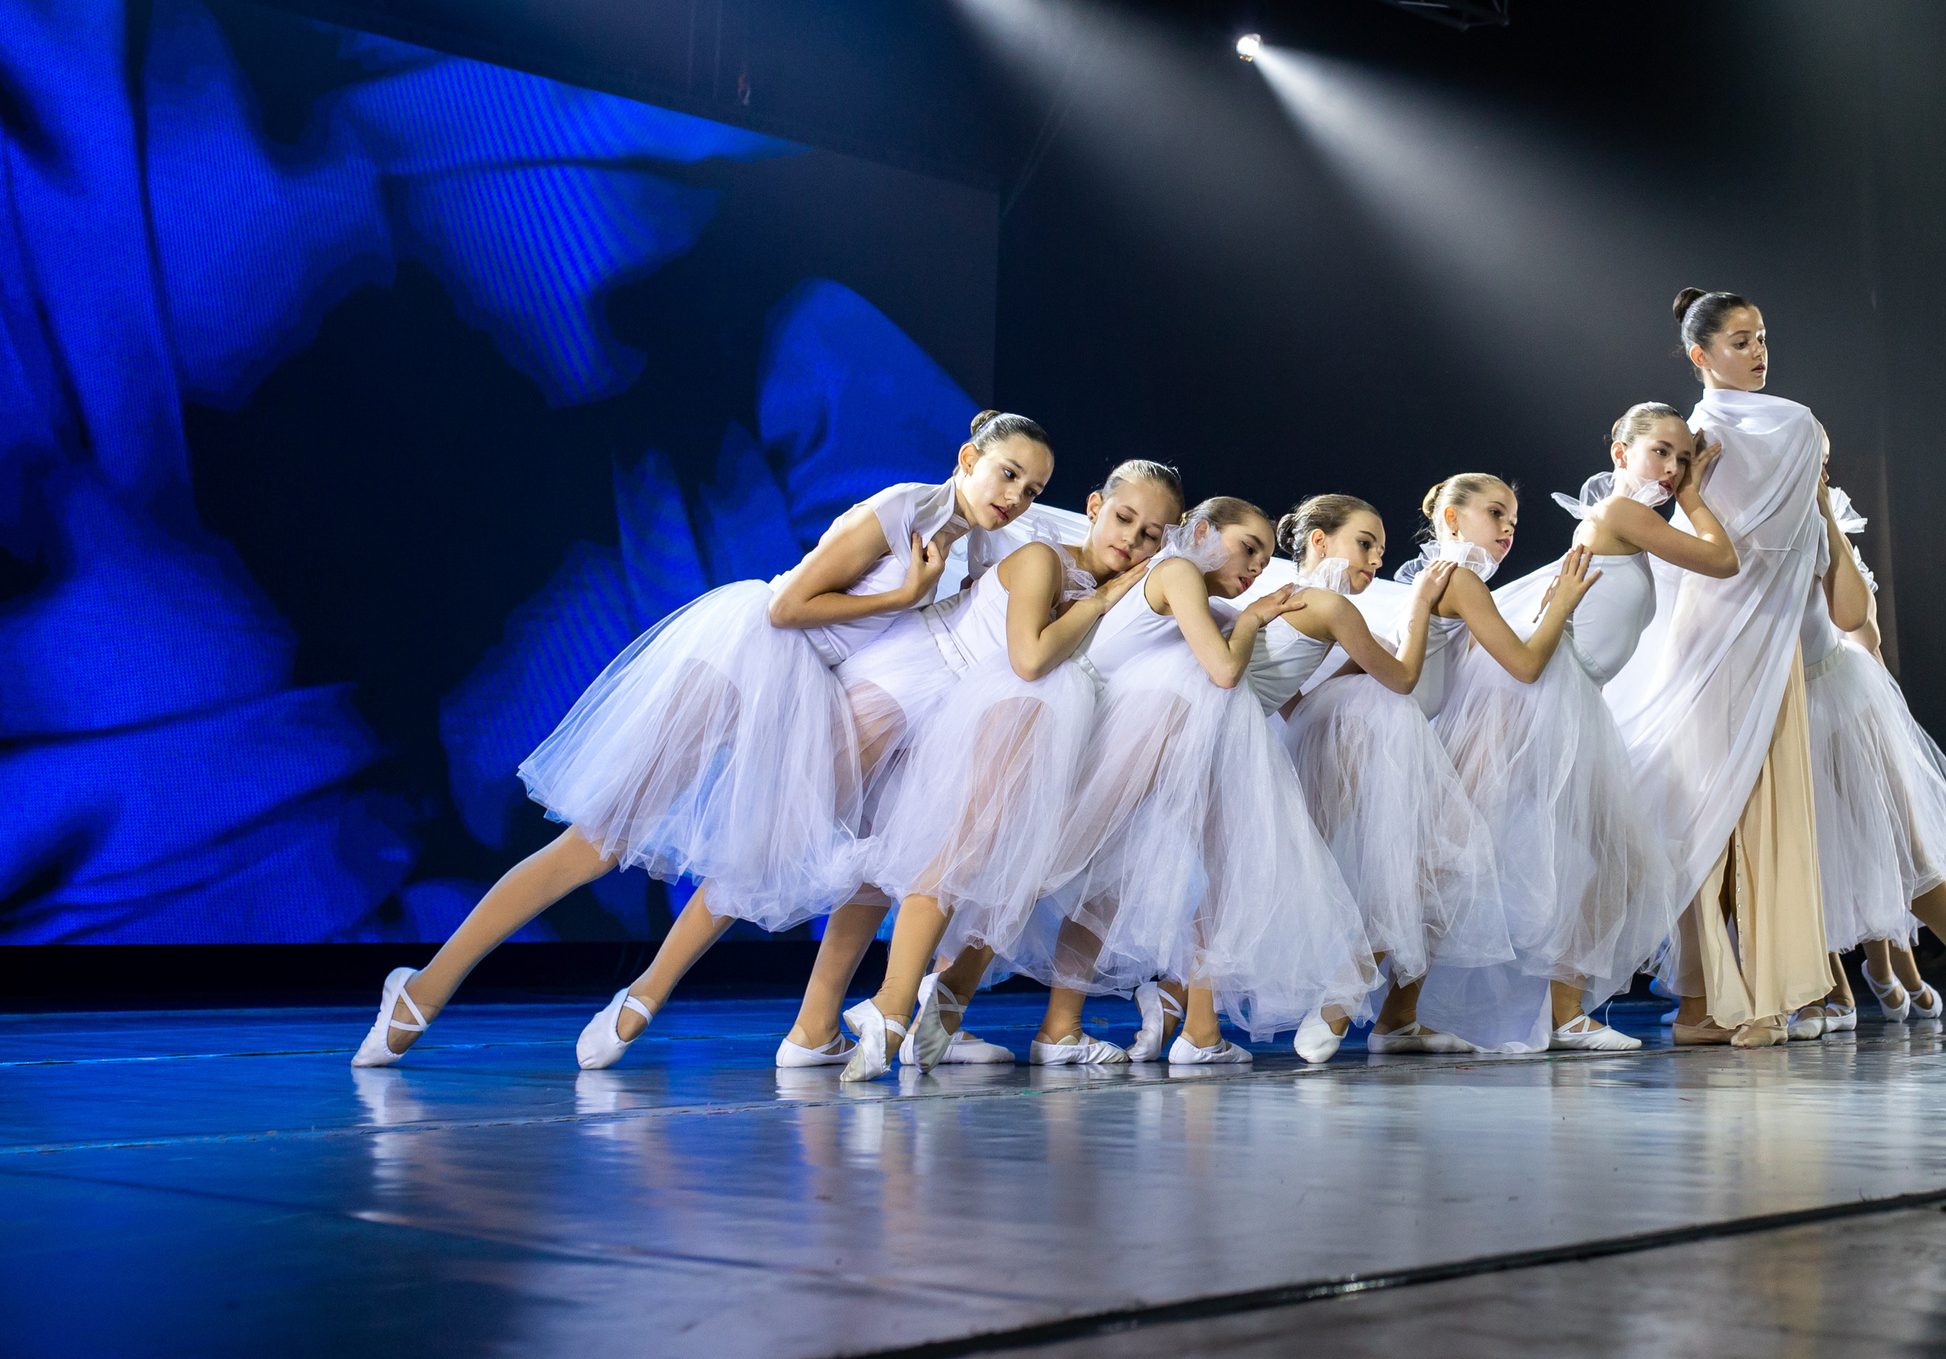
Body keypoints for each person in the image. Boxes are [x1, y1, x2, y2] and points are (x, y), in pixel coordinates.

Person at [352, 411, 1055, 1068]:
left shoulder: (978, 551)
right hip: (748, 649)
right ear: (969, 458)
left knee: (757, 849)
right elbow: (788, 607)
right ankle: (427, 988)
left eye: (1033, 487)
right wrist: (900, 598)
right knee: (603, 838)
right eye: (1008, 473)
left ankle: (644, 997)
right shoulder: (903, 507)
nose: (1017, 495)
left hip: (812, 691)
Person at [834, 461, 1188, 1079]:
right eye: (1124, 518)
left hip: (1066, 729)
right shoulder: (1045, 559)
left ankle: (938, 1013)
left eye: (1151, 534)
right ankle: (889, 1007)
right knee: (969, 844)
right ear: (1094, 504)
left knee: (1020, 868)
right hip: (1012, 705)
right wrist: (1101, 600)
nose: (1131, 540)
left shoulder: (1146, 585)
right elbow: (1029, 658)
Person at [1035, 500, 1382, 1065]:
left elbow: (1265, 678)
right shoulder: (1184, 577)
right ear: (1201, 531)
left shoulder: (1203, 594)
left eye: (1264, 559)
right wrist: (1248, 621)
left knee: (1125, 877)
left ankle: (1172, 1024)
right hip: (1184, 724)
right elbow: (1226, 672)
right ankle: (1173, 1026)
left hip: (1184, 726)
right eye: (1248, 548)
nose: (1254, 568)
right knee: (1094, 870)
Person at [1412, 451, 1699, 1054]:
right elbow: (1522, 665)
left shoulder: (1455, 579)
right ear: (1451, 516)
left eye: (1513, 518)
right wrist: (1560, 611)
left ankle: (1408, 1015)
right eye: (1495, 513)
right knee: (1460, 863)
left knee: (1461, 861)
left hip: (1551, 706)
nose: (1509, 528)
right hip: (1540, 704)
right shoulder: (1457, 578)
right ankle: (1555, 1012)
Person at [1607, 289, 1834, 1049]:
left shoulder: (1795, 422)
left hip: (1762, 631)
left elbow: (1782, 542)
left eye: (1762, 336)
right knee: (1698, 810)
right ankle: (1704, 997)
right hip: (1705, 628)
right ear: (1700, 355)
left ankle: (1769, 995)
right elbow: (1690, 541)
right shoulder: (1689, 435)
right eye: (1740, 340)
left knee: (1764, 807)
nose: (1759, 351)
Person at [1258, 494, 1505, 1057]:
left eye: (1381, 550)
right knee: (1403, 865)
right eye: (1364, 543)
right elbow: (1400, 678)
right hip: (1376, 729)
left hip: (1360, 730)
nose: (1374, 559)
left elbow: (1298, 698)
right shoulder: (1330, 605)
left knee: (1423, 865)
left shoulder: (1318, 607)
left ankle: (1395, 1018)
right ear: (1319, 540)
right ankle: (1342, 1005)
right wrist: (1417, 607)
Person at [1800, 475, 1946, 1027]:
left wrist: (1823, 511)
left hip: (1837, 692)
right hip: (1774, 704)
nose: (1817, 472)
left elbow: (1861, 631)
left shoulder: (1822, 524)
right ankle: (1836, 986)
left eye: (1823, 465)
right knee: (1806, 851)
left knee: (1898, 838)